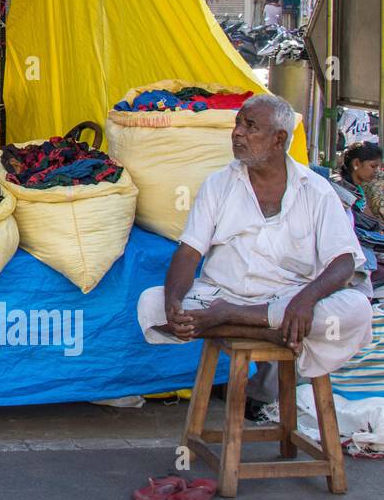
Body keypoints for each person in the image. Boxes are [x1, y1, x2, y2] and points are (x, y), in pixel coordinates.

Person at [137, 94, 373, 408]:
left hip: (286, 301)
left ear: (279, 139)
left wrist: (306, 300)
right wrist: (174, 301)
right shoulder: (218, 185)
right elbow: (189, 252)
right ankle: (265, 330)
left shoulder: (316, 191)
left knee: (357, 310)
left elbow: (344, 262)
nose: (237, 132)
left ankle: (228, 320)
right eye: (237, 124)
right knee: (151, 303)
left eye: (250, 126)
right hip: (223, 294)